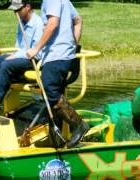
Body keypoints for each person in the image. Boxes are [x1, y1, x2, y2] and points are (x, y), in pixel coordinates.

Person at [26, 0, 88, 148]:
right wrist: (74, 45)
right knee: (54, 94)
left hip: (56, 55)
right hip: (61, 54)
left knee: (50, 92)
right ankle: (56, 137)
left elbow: (53, 23)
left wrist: (36, 49)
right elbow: (78, 20)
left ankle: (79, 125)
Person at [0, 0, 43, 112]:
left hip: (33, 60)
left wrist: (16, 56)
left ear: (28, 7)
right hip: (20, 57)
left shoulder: (38, 23)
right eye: (14, 10)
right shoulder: (21, 22)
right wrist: (13, 54)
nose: (15, 12)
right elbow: (19, 46)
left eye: (18, 9)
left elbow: (37, 52)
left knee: (6, 64)